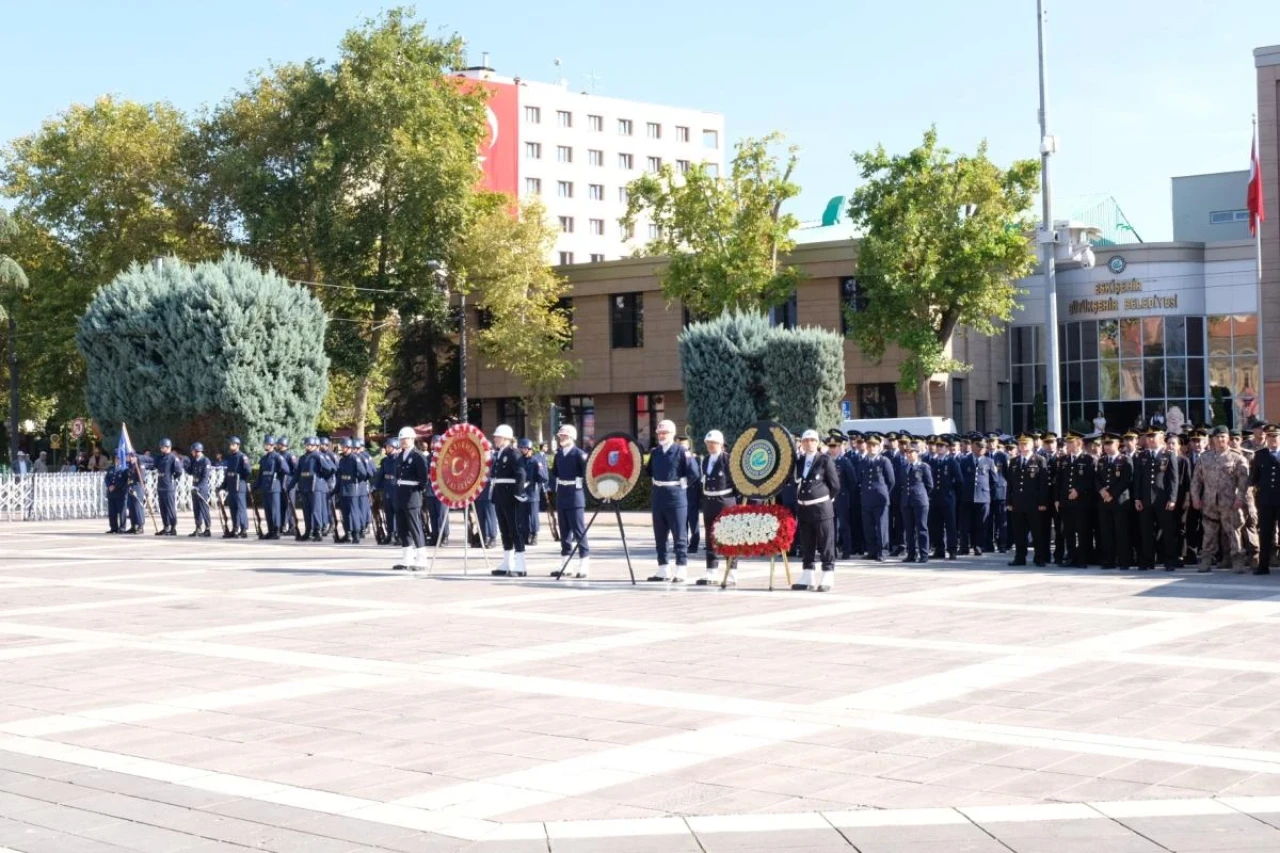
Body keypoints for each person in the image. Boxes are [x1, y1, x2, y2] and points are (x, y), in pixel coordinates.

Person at [1190, 426, 1250, 573]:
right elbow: (1196, 480)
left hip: (1229, 503)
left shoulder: (1237, 458)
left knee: (1234, 533)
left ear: (1228, 438)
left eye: (1223, 437)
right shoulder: (1205, 457)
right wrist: (1195, 498)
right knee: (1209, 533)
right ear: (1213, 439)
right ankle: (1206, 560)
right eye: (1217, 437)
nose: (1220, 439)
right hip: (1209, 503)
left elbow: (1244, 482)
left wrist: (1239, 499)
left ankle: (1237, 561)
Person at [645, 419, 694, 582]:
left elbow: (694, 472)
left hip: (675, 496)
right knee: (660, 534)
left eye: (664, 433)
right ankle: (663, 568)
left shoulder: (681, 451)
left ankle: (681, 568)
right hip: (659, 495)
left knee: (679, 534)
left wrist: (684, 483)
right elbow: (649, 471)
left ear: (672, 434)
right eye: (659, 433)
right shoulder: (656, 452)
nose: (661, 435)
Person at [792, 429, 841, 591]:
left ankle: (827, 574)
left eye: (812, 440)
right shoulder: (799, 461)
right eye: (806, 441)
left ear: (817, 442)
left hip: (821, 508)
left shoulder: (824, 460)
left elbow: (835, 485)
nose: (809, 443)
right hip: (804, 508)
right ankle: (807, 574)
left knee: (825, 542)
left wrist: (825, 499)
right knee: (807, 543)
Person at [697, 429, 738, 586]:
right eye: (708, 443)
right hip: (710, 501)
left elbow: (736, 484)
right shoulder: (706, 460)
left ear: (721, 444)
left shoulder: (728, 460)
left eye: (713, 443)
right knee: (710, 537)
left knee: (728, 536)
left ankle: (732, 571)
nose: (710, 446)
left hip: (725, 501)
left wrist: (733, 501)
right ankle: (711, 570)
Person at [1135, 428, 1179, 571]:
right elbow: (1138, 479)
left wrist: (1172, 498)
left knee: (1167, 531)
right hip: (1146, 499)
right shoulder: (1142, 456)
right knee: (1146, 532)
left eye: (1153, 436)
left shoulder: (1168, 454)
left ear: (1161, 437)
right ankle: (1148, 560)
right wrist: (1137, 498)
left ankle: (1170, 560)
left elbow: (1173, 479)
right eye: (1148, 437)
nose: (1150, 439)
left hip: (1162, 499)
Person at [489, 425, 530, 577]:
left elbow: (521, 474)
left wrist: (518, 494)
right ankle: (507, 563)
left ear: (506, 438)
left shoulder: (514, 453)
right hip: (500, 495)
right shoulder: (499, 453)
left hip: (510, 495)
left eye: (497, 436)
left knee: (515, 530)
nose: (495, 438)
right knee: (504, 530)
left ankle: (520, 565)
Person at [549, 424, 590, 578]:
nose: (562, 438)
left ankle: (584, 563)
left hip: (575, 495)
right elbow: (555, 473)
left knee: (579, 530)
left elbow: (586, 474)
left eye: (565, 436)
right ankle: (565, 564)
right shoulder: (559, 455)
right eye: (561, 436)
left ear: (572, 437)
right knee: (564, 531)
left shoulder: (579, 454)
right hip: (563, 494)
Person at [1007, 433, 1050, 566]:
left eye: (1025, 443)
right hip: (1018, 503)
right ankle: (1020, 557)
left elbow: (1043, 484)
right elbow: (1010, 484)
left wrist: (1042, 502)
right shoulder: (1014, 461)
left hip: (1033, 503)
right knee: (1019, 533)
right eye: (1020, 443)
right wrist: (1009, 501)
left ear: (1032, 445)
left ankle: (1039, 557)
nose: (1022, 446)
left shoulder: (1039, 460)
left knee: (1037, 532)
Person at [1055, 432, 1096, 568]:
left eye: (1070, 443)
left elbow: (1090, 480)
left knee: (1082, 530)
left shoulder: (1088, 459)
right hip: (1066, 502)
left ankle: (1083, 558)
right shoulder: (1064, 460)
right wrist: (1057, 499)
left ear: (1078, 444)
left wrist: (1078, 490)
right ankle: (1071, 556)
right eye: (1067, 443)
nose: (1067, 445)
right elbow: (1059, 481)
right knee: (1068, 531)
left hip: (1082, 502)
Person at [392, 427, 429, 571]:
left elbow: (423, 479)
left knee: (415, 527)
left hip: (412, 495)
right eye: (401, 439)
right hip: (400, 495)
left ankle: (421, 558)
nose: (402, 441)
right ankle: (407, 558)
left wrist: (417, 492)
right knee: (402, 528)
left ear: (412, 439)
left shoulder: (418, 456)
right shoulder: (400, 455)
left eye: (405, 439)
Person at [1095, 433, 1132, 570]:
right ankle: (1108, 560)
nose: (1107, 447)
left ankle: (1123, 560)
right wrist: (1101, 491)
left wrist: (1111, 493)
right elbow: (1096, 479)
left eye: (1110, 444)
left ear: (1117, 444)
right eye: (1105, 444)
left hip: (1120, 501)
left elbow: (1126, 480)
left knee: (1121, 532)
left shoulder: (1125, 460)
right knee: (1106, 532)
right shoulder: (1102, 461)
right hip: (1104, 501)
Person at [857, 434, 895, 562]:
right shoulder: (863, 461)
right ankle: (872, 551)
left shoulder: (884, 461)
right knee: (868, 526)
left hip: (880, 499)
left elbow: (891, 481)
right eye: (869, 445)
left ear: (879, 447)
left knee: (881, 526)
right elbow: (859, 479)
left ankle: (883, 551)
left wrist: (883, 492)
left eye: (874, 445)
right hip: (867, 498)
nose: (871, 447)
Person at [958, 435, 994, 556]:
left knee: (981, 523)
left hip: (983, 497)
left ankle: (978, 546)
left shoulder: (989, 461)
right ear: (972, 445)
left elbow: (993, 481)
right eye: (978, 446)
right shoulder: (964, 460)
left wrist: (986, 493)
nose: (981, 449)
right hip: (967, 497)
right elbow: (960, 479)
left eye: (983, 447)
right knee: (965, 523)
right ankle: (964, 546)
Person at [1252, 425, 1280, 576]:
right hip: (1266, 501)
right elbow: (1254, 478)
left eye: (1275, 437)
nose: (1272, 440)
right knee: (1265, 533)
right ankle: (1263, 565)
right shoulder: (1260, 455)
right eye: (1270, 437)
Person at [928, 436, 961, 560]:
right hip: (935, 498)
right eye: (938, 446)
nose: (939, 448)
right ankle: (939, 549)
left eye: (941, 446)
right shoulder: (932, 461)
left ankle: (952, 549)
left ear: (947, 448)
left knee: (950, 525)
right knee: (935, 525)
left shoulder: (952, 462)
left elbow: (959, 481)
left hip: (948, 498)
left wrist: (952, 494)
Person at [900, 440, 933, 563]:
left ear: (917, 453)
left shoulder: (924, 467)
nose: (908, 454)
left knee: (922, 528)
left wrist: (921, 495)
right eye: (907, 452)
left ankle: (924, 554)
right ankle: (911, 554)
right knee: (909, 529)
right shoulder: (904, 467)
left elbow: (930, 485)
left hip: (920, 501)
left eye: (911, 452)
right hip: (907, 501)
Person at [336, 438, 367, 544]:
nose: (342, 448)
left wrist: (355, 480)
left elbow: (363, 473)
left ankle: (356, 534)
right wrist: (336, 489)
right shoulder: (342, 459)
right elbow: (339, 476)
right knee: (345, 513)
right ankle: (347, 533)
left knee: (353, 513)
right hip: (343, 489)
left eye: (344, 447)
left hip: (353, 489)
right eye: (342, 447)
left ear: (349, 448)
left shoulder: (355, 458)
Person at [219, 436, 251, 538]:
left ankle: (244, 528)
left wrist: (241, 479)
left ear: (237, 445)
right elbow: (228, 474)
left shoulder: (242, 457)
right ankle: (235, 528)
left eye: (232, 444)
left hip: (239, 486)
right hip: (232, 487)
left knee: (241, 508)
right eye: (230, 444)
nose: (230, 446)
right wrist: (223, 486)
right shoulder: (231, 457)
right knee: (233, 509)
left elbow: (248, 471)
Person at [152, 438, 183, 536]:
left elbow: (179, 471)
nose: (161, 449)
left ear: (168, 447)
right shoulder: (160, 458)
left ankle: (173, 528)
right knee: (163, 508)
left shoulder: (173, 458)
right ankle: (166, 526)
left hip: (168, 487)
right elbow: (152, 462)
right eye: (161, 447)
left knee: (170, 508)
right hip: (161, 486)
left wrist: (172, 478)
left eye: (163, 447)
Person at [520, 438, 548, 546]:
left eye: (524, 448)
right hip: (522, 492)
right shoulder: (520, 461)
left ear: (529, 449)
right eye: (521, 448)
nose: (522, 450)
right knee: (523, 515)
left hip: (532, 492)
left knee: (533, 516)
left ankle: (534, 534)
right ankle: (525, 535)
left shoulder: (535, 462)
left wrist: (536, 480)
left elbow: (544, 477)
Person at [677, 434, 701, 554]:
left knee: (693, 519)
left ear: (688, 446)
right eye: (679, 445)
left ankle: (694, 544)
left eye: (683, 445)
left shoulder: (694, 457)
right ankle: (683, 543)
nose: (681, 447)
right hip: (681, 493)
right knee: (682, 520)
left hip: (691, 492)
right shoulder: (677, 457)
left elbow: (696, 475)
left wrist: (686, 483)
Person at [257, 436, 284, 540]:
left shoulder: (277, 457)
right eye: (265, 444)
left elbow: (285, 470)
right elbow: (261, 474)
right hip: (265, 487)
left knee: (275, 510)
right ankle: (270, 530)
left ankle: (276, 531)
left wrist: (278, 477)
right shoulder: (264, 459)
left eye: (267, 444)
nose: (265, 446)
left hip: (274, 487)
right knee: (267, 510)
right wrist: (256, 485)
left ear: (272, 445)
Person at [185, 442, 212, 537]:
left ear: (197, 451)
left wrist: (199, 487)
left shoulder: (205, 461)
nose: (191, 453)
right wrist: (185, 465)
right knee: (196, 509)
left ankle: (208, 528)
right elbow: (190, 472)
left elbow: (205, 477)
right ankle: (198, 527)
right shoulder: (195, 460)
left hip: (202, 487)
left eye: (193, 451)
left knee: (204, 508)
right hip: (195, 486)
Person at [377, 437, 400, 545]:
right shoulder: (385, 460)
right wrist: (375, 487)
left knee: (397, 513)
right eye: (386, 446)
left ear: (394, 447)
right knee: (388, 513)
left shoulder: (399, 459)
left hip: (396, 488)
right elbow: (380, 475)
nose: (386, 448)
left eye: (388, 446)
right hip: (387, 488)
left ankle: (398, 535)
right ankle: (390, 534)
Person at [123, 451, 146, 533]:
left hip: (137, 488)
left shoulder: (139, 465)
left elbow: (141, 478)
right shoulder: (130, 466)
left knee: (137, 507)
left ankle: (140, 526)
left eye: (130, 457)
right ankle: (134, 525)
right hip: (130, 488)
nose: (129, 458)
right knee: (131, 507)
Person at [104, 463, 126, 533]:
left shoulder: (124, 468)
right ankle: (113, 527)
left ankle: (122, 527)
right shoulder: (111, 468)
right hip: (111, 493)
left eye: (118, 458)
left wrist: (115, 486)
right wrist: (109, 485)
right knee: (112, 512)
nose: (117, 460)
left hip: (119, 492)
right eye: (116, 458)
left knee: (121, 511)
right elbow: (106, 478)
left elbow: (124, 480)